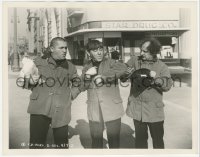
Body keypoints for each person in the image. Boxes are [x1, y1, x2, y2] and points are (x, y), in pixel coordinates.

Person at [19, 37, 79, 149]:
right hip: (39, 108)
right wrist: (31, 81)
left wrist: (71, 95)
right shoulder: (38, 63)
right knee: (36, 145)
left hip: (61, 110)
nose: (65, 50)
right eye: (61, 48)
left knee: (62, 146)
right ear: (52, 48)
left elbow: (77, 83)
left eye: (65, 48)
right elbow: (24, 83)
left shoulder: (70, 66)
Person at [74, 40, 127, 148]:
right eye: (95, 50)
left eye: (100, 49)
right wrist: (87, 75)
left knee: (114, 142)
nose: (99, 52)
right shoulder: (86, 67)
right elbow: (82, 86)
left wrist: (102, 77)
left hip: (112, 108)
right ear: (89, 53)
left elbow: (123, 68)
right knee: (96, 141)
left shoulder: (111, 62)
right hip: (95, 110)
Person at [122, 38, 173, 149]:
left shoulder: (162, 66)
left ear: (154, 52)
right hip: (137, 111)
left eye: (145, 51)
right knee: (140, 142)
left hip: (154, 111)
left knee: (158, 141)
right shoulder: (135, 61)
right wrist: (126, 74)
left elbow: (167, 86)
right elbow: (122, 76)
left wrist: (156, 78)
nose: (141, 53)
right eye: (141, 50)